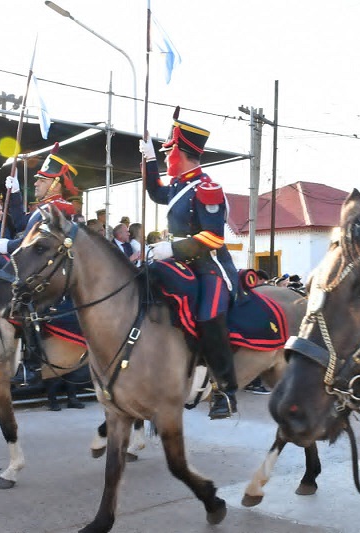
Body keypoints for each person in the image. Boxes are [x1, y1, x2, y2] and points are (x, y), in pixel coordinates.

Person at [140, 109, 240, 419]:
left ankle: (226, 390)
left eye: (167, 152)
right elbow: (156, 191)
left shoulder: (207, 188)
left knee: (209, 316)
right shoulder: (179, 186)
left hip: (209, 266)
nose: (166, 156)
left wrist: (173, 247)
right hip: (183, 261)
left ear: (181, 154)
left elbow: (212, 238)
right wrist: (148, 160)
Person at [0, 143, 80, 385]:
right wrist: (16, 193)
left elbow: (38, 242)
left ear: (55, 184)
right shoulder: (42, 207)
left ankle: (31, 364)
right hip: (39, 266)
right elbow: (22, 222)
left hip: (52, 271)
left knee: (26, 304)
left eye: (41, 181)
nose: (36, 184)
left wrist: (10, 246)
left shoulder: (58, 209)